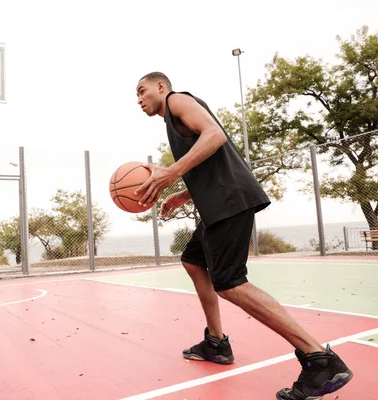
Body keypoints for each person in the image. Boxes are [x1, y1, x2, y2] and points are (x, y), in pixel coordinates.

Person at [133, 71, 353, 400]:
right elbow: (208, 161)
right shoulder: (174, 122)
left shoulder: (177, 99)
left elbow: (215, 136)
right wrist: (183, 193)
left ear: (161, 87)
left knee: (231, 282)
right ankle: (216, 342)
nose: (139, 99)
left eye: (142, 90)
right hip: (217, 203)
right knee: (193, 261)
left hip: (229, 201)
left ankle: (319, 359)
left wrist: (172, 172)